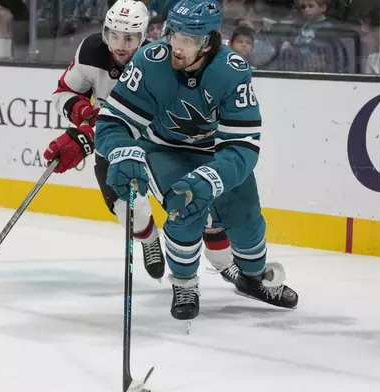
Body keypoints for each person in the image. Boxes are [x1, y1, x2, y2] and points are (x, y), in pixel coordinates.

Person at [94, 0, 299, 321]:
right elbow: (113, 122)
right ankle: (185, 284)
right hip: (165, 150)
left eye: (188, 40)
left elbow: (243, 145)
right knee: (184, 211)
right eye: (174, 34)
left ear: (209, 40)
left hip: (220, 155)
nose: (177, 46)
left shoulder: (232, 72)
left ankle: (254, 277)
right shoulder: (150, 61)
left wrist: (210, 178)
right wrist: (123, 150)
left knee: (246, 222)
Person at [44, 0, 236, 283]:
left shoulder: (163, 61)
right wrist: (84, 112)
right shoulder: (90, 51)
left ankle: (227, 265)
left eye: (131, 37)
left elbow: (160, 118)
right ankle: (148, 240)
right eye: (114, 36)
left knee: (198, 206)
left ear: (145, 36)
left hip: (163, 145)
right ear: (105, 32)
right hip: (116, 146)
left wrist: (90, 133)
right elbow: (64, 91)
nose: (121, 46)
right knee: (126, 207)